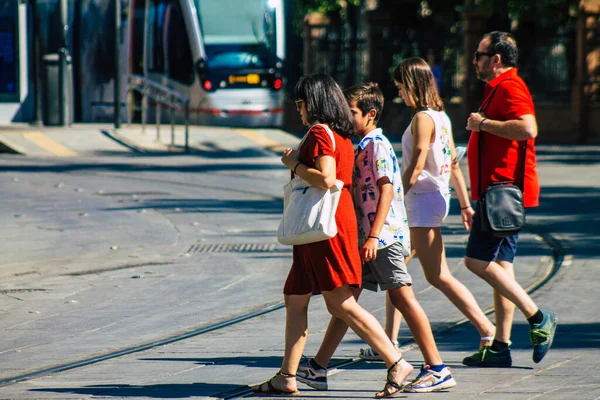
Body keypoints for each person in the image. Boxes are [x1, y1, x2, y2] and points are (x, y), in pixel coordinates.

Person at [251, 73, 412, 397]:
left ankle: (395, 361)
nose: (298, 108)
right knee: (295, 298)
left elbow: (325, 178)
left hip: (324, 230)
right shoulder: (342, 136)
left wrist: (293, 163)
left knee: (341, 303)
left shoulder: (320, 134)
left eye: (301, 102)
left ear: (315, 102)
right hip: (318, 230)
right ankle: (288, 375)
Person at [296, 81, 456, 395]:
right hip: (369, 239)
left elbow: (386, 190)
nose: (346, 115)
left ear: (370, 115)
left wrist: (372, 235)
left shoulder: (377, 145)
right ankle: (318, 367)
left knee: (402, 298)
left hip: (383, 237)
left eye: (351, 111)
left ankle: (436, 368)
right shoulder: (363, 144)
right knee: (347, 301)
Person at [391, 56, 498, 356]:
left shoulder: (422, 118)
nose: (399, 93)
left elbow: (416, 163)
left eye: (401, 87)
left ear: (412, 85)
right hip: (434, 198)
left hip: (420, 201)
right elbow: (452, 163)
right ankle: (388, 339)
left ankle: (485, 327)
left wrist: (395, 197)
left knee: (436, 275)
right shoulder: (442, 117)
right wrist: (464, 205)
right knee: (396, 270)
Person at [463, 31, 557, 366]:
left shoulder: (510, 86)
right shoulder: (496, 89)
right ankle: (500, 347)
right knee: (501, 267)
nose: (474, 59)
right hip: (496, 192)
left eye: (479, 54)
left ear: (496, 59)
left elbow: (528, 129)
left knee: (475, 261)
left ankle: (537, 317)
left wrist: (484, 125)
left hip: (503, 194)